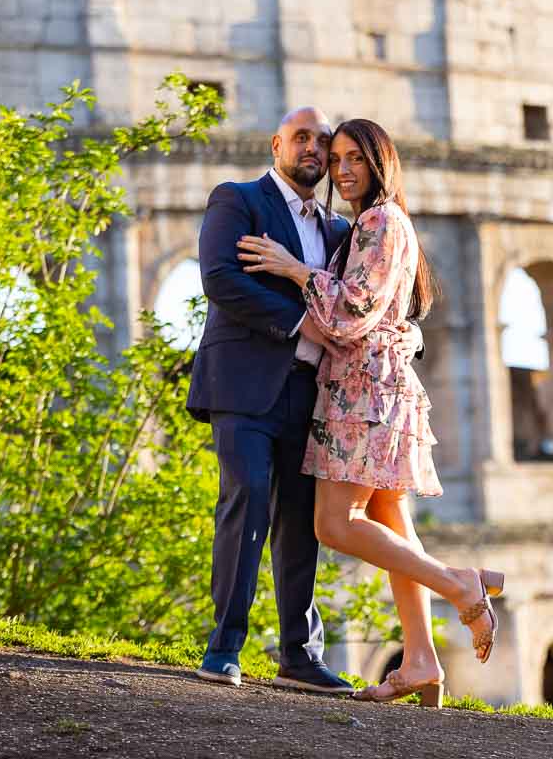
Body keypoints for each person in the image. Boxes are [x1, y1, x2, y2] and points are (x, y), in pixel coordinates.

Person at [236, 119, 504, 708]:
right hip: (377, 386)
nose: (344, 170)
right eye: (336, 161)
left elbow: (350, 311)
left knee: (335, 524)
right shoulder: (373, 224)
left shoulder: (381, 221)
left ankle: (461, 584)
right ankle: (421, 660)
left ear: (382, 162)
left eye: (357, 157)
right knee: (392, 524)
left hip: (364, 391)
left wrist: (292, 268)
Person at [186, 106, 420, 694]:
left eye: (328, 144)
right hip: (245, 384)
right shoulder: (237, 199)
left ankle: (299, 654)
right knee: (249, 499)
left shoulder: (345, 231)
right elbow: (220, 279)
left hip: (316, 395)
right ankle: (224, 647)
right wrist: (301, 324)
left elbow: (370, 303)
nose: (317, 151)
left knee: (302, 522)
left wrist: (404, 334)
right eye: (304, 139)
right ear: (276, 144)